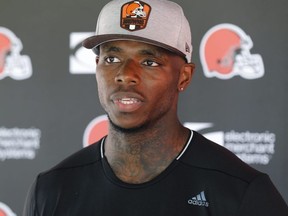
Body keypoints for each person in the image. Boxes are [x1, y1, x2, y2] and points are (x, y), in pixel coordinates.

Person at [23, 0, 288, 215]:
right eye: (112, 58)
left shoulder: (242, 192)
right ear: (97, 68)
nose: (125, 74)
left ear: (183, 76)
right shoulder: (52, 189)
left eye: (149, 62)